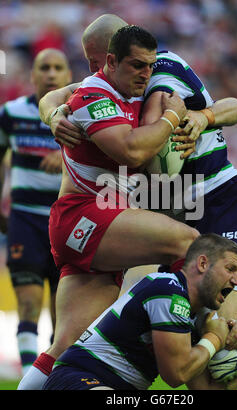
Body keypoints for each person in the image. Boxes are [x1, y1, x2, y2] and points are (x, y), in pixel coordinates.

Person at [38, 15, 237, 387]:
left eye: (97, 62)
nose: (92, 71)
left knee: (217, 354)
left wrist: (198, 117)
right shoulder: (115, 84)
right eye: (90, 63)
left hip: (219, 202)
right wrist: (54, 115)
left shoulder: (159, 74)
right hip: (199, 211)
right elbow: (56, 96)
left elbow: (234, 108)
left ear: (119, 52)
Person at [17, 25, 200, 390]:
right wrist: (171, 119)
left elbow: (233, 106)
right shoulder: (94, 93)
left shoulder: (141, 84)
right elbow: (131, 151)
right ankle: (186, 337)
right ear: (110, 59)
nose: (145, 72)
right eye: (136, 65)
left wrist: (201, 120)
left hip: (100, 226)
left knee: (66, 345)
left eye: (149, 65)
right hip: (83, 216)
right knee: (191, 245)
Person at [42, 234, 237, 390]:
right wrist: (216, 338)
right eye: (230, 269)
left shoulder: (193, 315)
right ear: (202, 264)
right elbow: (175, 375)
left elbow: (206, 389)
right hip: (78, 379)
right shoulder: (166, 290)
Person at [0, 48, 71, 375]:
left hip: (68, 223)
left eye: (58, 68)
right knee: (28, 305)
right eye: (45, 67)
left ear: (69, 76)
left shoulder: (80, 115)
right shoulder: (11, 113)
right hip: (25, 220)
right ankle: (31, 377)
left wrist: (66, 155)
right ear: (33, 74)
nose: (51, 74)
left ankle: (52, 378)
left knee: (63, 313)